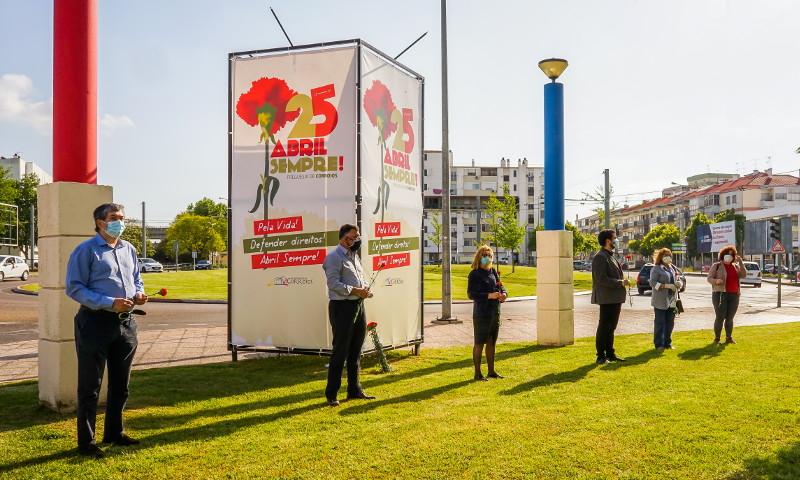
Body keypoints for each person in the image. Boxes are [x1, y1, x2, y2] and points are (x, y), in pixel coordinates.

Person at [66, 203, 147, 458]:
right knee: (90, 387)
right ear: (100, 223)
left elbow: (136, 278)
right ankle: (86, 442)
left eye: (121, 217)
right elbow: (75, 288)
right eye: (114, 218)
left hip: (126, 324)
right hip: (94, 323)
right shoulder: (86, 250)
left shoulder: (128, 248)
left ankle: (114, 432)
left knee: (121, 385)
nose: (119, 222)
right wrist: (110, 302)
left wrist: (138, 292)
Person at [322, 224, 375, 406]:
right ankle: (331, 394)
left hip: (358, 306)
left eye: (358, 236)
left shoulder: (354, 257)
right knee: (340, 351)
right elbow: (333, 284)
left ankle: (354, 390)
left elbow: (361, 279)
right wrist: (355, 290)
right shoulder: (333, 258)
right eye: (355, 237)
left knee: (356, 350)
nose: (357, 240)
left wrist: (365, 289)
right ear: (345, 239)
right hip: (341, 308)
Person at [467, 245, 508, 381]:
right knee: (479, 343)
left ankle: (491, 371)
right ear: (479, 257)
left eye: (490, 256)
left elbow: (501, 286)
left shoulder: (493, 272)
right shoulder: (474, 274)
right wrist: (489, 296)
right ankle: (477, 373)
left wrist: (504, 294)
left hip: (494, 312)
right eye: (485, 256)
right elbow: (471, 294)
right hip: (481, 313)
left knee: (491, 343)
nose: (487, 258)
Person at [590, 229, 631, 364]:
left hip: (614, 298)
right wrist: (621, 282)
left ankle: (610, 354)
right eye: (615, 238)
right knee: (604, 327)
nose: (616, 240)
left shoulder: (610, 255)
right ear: (608, 240)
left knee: (611, 327)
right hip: (607, 298)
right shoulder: (600, 257)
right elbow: (601, 279)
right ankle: (601, 356)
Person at [706, 245, 746, 344]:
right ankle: (717, 338)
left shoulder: (735, 266)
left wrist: (741, 263)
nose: (729, 256)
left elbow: (743, 275)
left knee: (730, 317)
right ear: (723, 255)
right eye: (727, 254)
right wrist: (716, 281)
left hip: (734, 295)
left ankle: (729, 338)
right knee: (720, 317)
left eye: (732, 255)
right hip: (720, 294)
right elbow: (709, 278)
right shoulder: (717, 266)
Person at [649, 248, 683, 350]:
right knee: (660, 322)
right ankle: (659, 344)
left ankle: (667, 343)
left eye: (669, 255)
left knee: (670, 322)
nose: (668, 257)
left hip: (672, 299)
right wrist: (666, 286)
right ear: (660, 257)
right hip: (660, 300)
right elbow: (652, 283)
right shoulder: (656, 268)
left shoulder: (672, 268)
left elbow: (677, 278)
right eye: (665, 255)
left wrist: (678, 283)